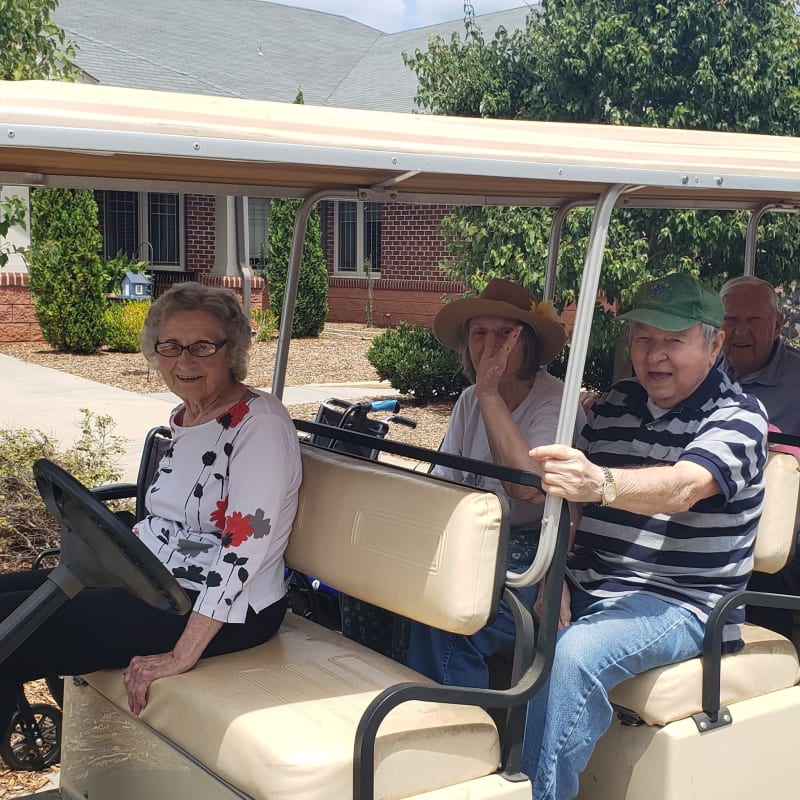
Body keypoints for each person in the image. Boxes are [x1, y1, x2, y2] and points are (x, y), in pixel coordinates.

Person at [0, 282, 301, 735]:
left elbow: (242, 555)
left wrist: (182, 653)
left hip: (222, 609)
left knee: (16, 634)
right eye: (171, 346)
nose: (184, 361)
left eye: (202, 346)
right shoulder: (189, 416)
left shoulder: (258, 427)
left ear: (231, 350)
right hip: (153, 579)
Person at [524, 272, 767, 800]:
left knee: (575, 653)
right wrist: (555, 573)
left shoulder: (739, 417)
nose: (654, 355)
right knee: (474, 605)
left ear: (714, 343)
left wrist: (602, 482)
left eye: (673, 341)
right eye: (643, 338)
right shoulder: (615, 404)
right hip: (593, 582)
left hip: (681, 603)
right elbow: (568, 503)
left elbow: (684, 486)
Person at [406, 278, 585, 687]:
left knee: (449, 611)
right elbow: (445, 482)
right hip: (476, 545)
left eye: (506, 334)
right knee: (384, 584)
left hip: (540, 559)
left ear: (529, 344)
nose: (490, 346)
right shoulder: (470, 401)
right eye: (480, 334)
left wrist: (490, 394)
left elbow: (528, 487)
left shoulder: (553, 402)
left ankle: (454, 729)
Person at [720, 275, 800, 637]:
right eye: (730, 320)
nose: (740, 331)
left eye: (753, 320)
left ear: (777, 325)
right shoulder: (702, 372)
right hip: (706, 511)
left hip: (778, 520)